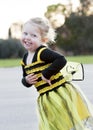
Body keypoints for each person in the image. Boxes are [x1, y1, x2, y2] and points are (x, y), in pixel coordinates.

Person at [20, 17, 93, 130]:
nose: (27, 38)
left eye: (33, 35)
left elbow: (61, 60)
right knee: (55, 124)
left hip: (59, 93)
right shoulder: (24, 59)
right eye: (25, 33)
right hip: (46, 98)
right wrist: (26, 81)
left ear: (43, 40)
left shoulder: (42, 52)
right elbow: (25, 78)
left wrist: (46, 74)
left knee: (69, 122)